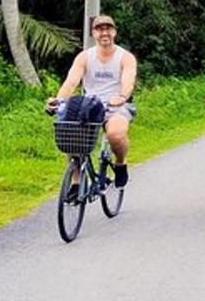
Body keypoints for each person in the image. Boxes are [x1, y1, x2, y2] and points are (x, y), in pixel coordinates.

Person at [46, 15, 138, 188]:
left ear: (114, 32)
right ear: (93, 33)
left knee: (116, 134)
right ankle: (76, 182)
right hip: (90, 105)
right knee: (70, 132)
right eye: (99, 29)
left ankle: (120, 163)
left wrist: (122, 96)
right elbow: (71, 82)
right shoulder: (84, 57)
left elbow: (128, 80)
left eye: (108, 29)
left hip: (115, 105)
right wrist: (58, 100)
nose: (105, 33)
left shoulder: (125, 57)